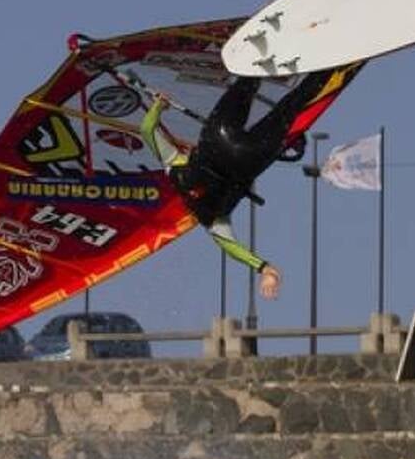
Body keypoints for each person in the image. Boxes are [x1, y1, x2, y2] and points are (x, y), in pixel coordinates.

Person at [141, 65, 360, 300]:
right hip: (218, 136)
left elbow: (233, 248)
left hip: (250, 158)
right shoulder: (174, 167)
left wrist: (266, 269)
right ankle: (258, 64)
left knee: (293, 105)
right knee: (246, 85)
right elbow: (146, 130)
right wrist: (159, 105)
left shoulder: (213, 221)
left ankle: (340, 68)